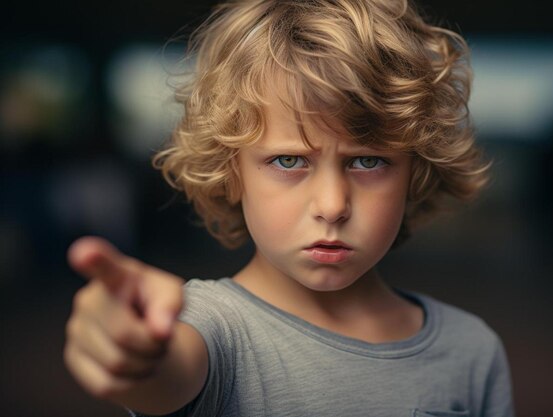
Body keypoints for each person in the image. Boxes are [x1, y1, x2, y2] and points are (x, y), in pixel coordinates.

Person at [64, 0, 515, 416]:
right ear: (232, 172)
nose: (333, 206)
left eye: (368, 161)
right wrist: (135, 351)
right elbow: (166, 373)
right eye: (288, 161)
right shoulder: (209, 330)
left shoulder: (471, 350)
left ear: (414, 174)